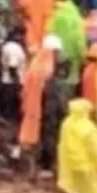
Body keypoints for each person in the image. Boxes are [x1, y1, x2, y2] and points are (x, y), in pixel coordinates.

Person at [18, 35, 62, 170]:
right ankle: (45, 164)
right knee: (46, 135)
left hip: (34, 107)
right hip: (43, 108)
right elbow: (48, 93)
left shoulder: (36, 63)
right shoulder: (46, 67)